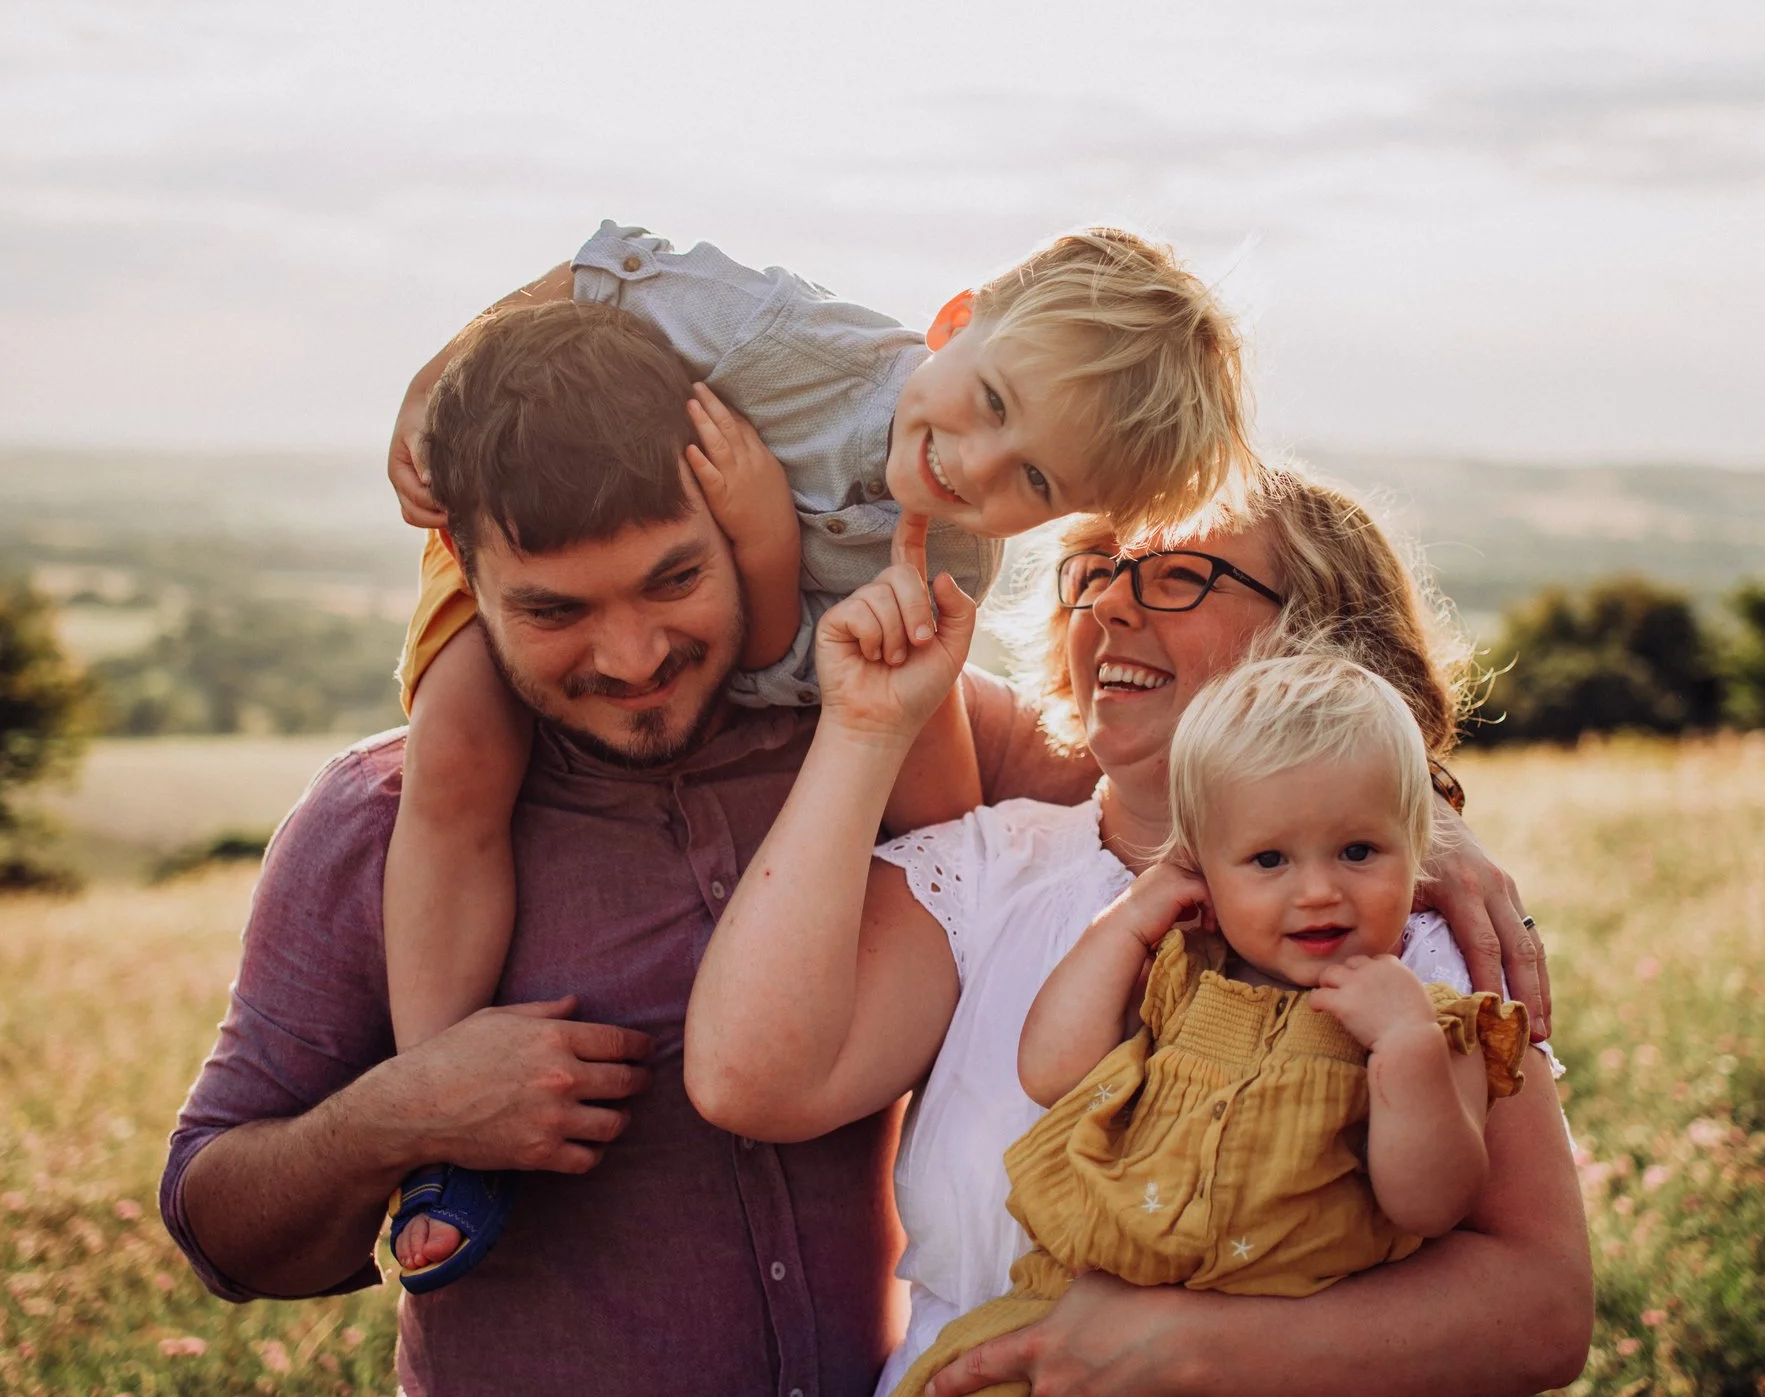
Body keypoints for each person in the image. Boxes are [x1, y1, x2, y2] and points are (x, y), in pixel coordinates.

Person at [159, 300, 1101, 1397]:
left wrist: (1396, 831)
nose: (632, 656)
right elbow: (220, 1227)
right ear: (462, 570)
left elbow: (1202, 796)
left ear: (735, 516)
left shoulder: (892, 721)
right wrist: (407, 1110)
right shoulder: (378, 824)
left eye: (672, 582)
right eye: (554, 610)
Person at [378, 222, 1253, 1286]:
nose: (970, 464)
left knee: (935, 804)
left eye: (1031, 480)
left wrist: (766, 549)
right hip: (535, 518)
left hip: (700, 622)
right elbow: (608, 264)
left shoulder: (954, 551)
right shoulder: (791, 344)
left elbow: (763, 673)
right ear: (956, 322)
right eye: (988, 402)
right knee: (462, 749)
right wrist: (438, 382)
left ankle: (936, 1069)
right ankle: (437, 1106)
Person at [685, 463, 1589, 1397]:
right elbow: (750, 1078)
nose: (1111, 603)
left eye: (1180, 576)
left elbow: (1540, 1310)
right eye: (1095, 571)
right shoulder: (986, 869)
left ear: (1318, 641)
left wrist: (1180, 1346)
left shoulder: (1398, 924)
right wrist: (863, 727)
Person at [845, 652, 1533, 1397]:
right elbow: (1052, 1069)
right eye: (1270, 860)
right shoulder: (1181, 969)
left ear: (1420, 849)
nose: (1317, 891)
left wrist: (1407, 1049)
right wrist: (1128, 923)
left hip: (1258, 1387)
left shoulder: (1431, 1014)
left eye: (1357, 852)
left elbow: (1430, 1203)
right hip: (1064, 1314)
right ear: (1203, 867)